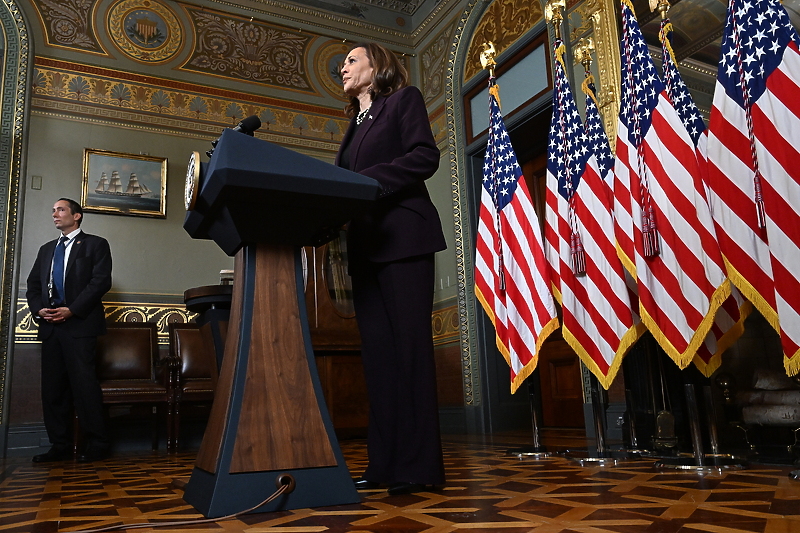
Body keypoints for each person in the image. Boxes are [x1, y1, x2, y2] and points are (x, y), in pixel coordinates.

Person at [336, 42, 447, 495]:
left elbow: (425, 156)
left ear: (376, 66)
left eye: (352, 60)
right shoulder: (352, 127)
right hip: (365, 251)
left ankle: (419, 467)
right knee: (379, 362)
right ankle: (384, 465)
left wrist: (369, 184)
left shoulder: (403, 100)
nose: (343, 67)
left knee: (410, 354)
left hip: (404, 240)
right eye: (343, 63)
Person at [26, 198, 113, 463]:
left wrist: (72, 310)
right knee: (53, 390)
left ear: (77, 216)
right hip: (51, 327)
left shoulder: (96, 244)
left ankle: (97, 443)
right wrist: (40, 310)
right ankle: (60, 445)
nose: (54, 214)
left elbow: (100, 282)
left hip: (80, 325)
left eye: (60, 209)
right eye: (53, 210)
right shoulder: (46, 249)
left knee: (84, 386)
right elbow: (33, 286)